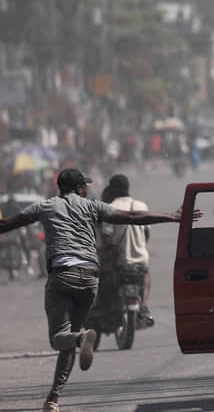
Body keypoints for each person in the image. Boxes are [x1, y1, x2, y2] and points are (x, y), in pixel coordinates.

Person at [0, 168, 200, 412]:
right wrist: (171, 217)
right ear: (80, 188)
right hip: (89, 279)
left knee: (59, 338)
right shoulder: (92, 206)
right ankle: (53, 399)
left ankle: (82, 339)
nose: (88, 189)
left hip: (62, 278)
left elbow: (6, 224)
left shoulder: (44, 207)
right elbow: (132, 217)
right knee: (69, 338)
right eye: (86, 185)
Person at [98, 174, 153, 325]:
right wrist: (140, 246)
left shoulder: (109, 208)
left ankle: (106, 310)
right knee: (146, 274)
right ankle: (145, 305)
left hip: (119, 261)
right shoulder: (141, 206)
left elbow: (106, 239)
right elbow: (146, 234)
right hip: (141, 259)